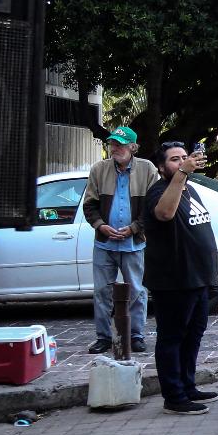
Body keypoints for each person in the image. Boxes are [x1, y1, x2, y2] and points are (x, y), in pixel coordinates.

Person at [145, 141, 218, 416]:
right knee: (172, 338)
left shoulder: (189, 189)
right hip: (173, 281)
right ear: (161, 166)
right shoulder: (158, 192)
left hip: (198, 279)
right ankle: (174, 397)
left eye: (184, 158)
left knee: (193, 336)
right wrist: (180, 175)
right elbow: (165, 214)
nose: (181, 163)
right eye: (174, 160)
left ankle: (188, 385)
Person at [81, 126, 159, 354]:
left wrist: (134, 228)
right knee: (102, 292)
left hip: (134, 242)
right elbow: (89, 205)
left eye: (120, 144)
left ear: (133, 147)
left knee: (136, 290)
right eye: (113, 144)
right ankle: (103, 337)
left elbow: (153, 206)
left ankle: (136, 335)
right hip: (104, 243)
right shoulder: (99, 169)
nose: (115, 148)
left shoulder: (147, 169)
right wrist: (101, 226)